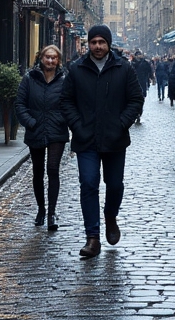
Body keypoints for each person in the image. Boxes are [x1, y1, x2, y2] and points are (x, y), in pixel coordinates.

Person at [61, 24, 144, 258]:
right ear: (89, 44)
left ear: (108, 44)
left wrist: (121, 124)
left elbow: (136, 99)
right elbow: (66, 101)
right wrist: (77, 126)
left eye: (102, 42)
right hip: (86, 138)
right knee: (88, 184)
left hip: (115, 139)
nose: (97, 47)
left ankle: (110, 215)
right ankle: (93, 237)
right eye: (94, 42)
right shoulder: (76, 69)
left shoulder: (123, 68)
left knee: (115, 185)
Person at [14, 44, 69, 231]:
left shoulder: (64, 80)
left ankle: (52, 212)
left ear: (58, 60)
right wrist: (30, 122)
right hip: (36, 129)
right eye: (48, 57)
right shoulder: (30, 78)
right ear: (41, 58)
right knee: (37, 171)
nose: (51, 61)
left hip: (57, 131)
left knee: (52, 169)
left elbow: (70, 103)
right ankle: (41, 209)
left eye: (54, 58)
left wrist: (62, 119)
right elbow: (20, 104)